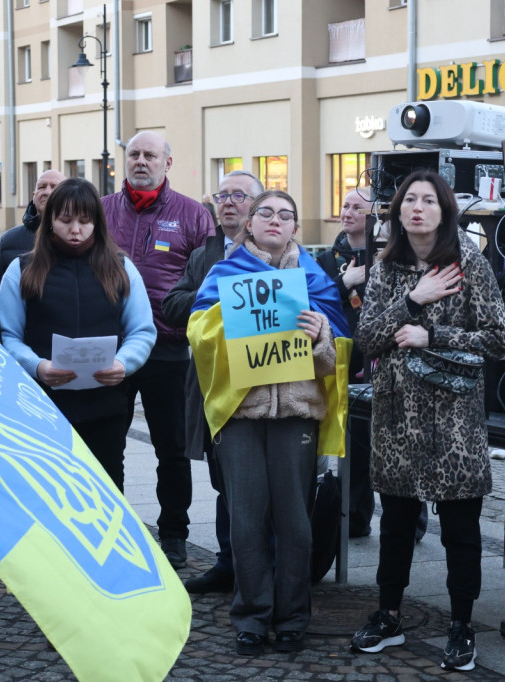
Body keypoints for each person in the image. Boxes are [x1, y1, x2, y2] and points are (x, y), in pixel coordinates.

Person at [350, 170, 505, 671]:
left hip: (454, 419)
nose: (418, 208)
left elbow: (498, 339)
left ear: (444, 211)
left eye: (428, 200)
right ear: (397, 213)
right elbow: (367, 339)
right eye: (409, 200)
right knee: (395, 524)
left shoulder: (471, 265)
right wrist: (413, 301)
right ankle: (389, 614)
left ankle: (462, 625)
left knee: (461, 528)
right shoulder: (385, 268)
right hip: (397, 416)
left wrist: (432, 337)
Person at [188, 190, 350, 656]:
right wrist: (229, 321)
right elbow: (198, 338)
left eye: (286, 215)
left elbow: (339, 352)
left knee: (296, 522)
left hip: (296, 414)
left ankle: (293, 616)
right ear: (250, 224)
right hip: (240, 413)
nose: (275, 221)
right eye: (266, 213)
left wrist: (321, 335)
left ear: (295, 227)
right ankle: (252, 616)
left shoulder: (315, 279)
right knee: (245, 521)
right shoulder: (225, 274)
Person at [102, 131, 217, 568]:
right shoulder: (103, 210)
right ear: (124, 161)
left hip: (169, 351)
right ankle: (109, 531)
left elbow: (205, 285)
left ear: (167, 163)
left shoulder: (193, 215)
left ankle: (174, 535)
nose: (141, 161)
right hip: (112, 352)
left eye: (151, 154)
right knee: (107, 446)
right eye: (134, 154)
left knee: (172, 451)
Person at [0, 177, 156, 492]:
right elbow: (7, 335)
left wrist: (124, 364)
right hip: (44, 408)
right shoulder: (22, 269)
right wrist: (37, 366)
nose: (75, 230)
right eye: (66, 220)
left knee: (106, 494)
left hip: (106, 408)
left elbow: (142, 330)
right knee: (48, 496)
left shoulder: (121, 268)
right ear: (50, 220)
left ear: (97, 223)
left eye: (85, 221)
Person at [162, 169, 264, 594]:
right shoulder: (205, 255)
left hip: (263, 384)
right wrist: (211, 293)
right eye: (222, 195)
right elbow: (172, 305)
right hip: (214, 386)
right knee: (224, 481)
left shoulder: (275, 251)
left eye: (239, 195)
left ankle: (260, 568)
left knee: (263, 485)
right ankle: (228, 562)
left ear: (257, 207)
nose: (228, 202)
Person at [317, 188, 375, 537]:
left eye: (358, 207)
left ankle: (412, 520)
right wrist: (346, 282)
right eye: (345, 205)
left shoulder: (387, 257)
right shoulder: (327, 258)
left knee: (380, 441)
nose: (348, 212)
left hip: (377, 360)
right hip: (339, 358)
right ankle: (354, 517)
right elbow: (317, 301)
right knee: (352, 441)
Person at [0, 169, 66, 293]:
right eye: (42, 187)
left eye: (55, 187)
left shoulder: (79, 238)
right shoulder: (9, 240)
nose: (47, 192)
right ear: (34, 195)